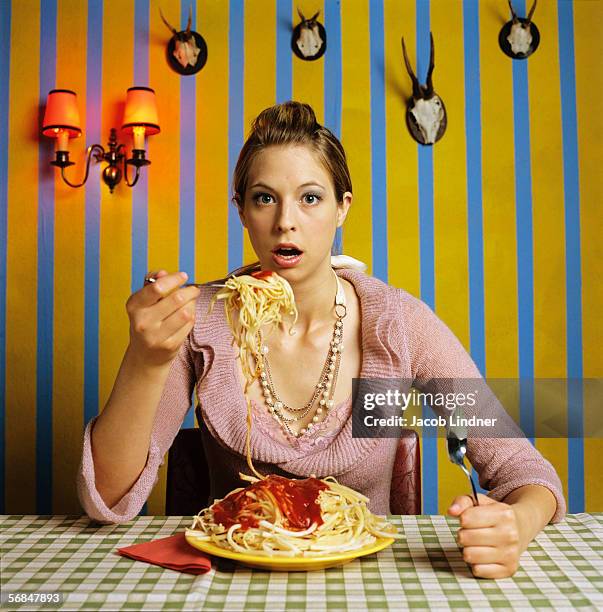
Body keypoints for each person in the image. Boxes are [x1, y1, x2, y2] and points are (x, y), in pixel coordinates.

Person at [78, 101, 565, 579]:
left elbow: (525, 471)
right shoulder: (199, 321)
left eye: (310, 198)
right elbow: (107, 498)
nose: (285, 220)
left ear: (341, 209)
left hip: (367, 583)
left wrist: (516, 523)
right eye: (264, 198)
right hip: (232, 581)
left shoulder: (397, 326)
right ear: (242, 212)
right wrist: (145, 361)